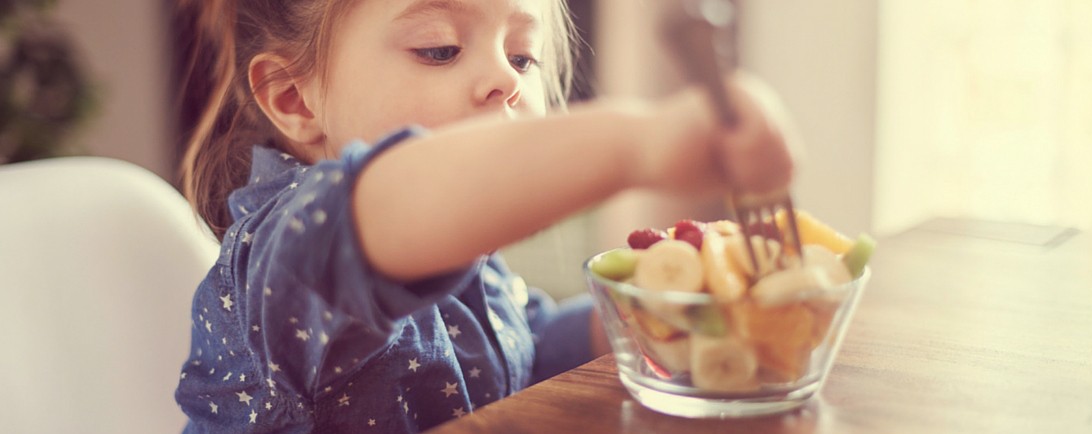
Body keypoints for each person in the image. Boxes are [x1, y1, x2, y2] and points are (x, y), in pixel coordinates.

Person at [173, 0, 796, 432]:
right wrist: (639, 141)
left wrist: (643, 316)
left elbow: (523, 352)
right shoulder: (285, 255)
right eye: (439, 49)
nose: (506, 77)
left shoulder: (465, 259)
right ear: (293, 98)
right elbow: (396, 198)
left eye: (523, 56)